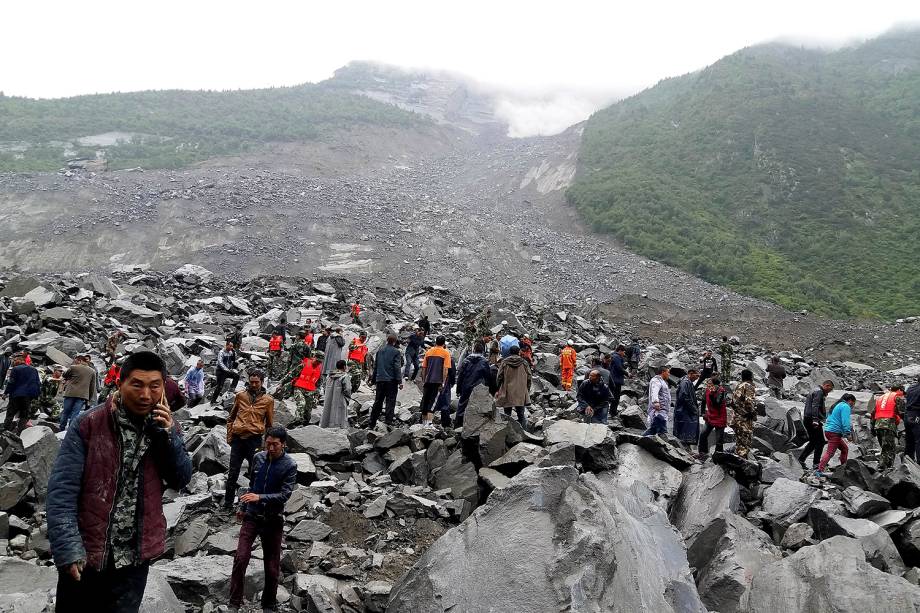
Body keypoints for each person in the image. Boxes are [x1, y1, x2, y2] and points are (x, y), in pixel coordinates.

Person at [47, 351, 191, 613]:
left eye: (154, 386)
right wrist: (68, 548)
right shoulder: (89, 424)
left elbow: (181, 478)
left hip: (134, 560)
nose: (145, 395)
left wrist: (168, 437)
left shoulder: (166, 426)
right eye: (137, 384)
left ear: (162, 388)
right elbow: (62, 490)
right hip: (87, 555)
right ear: (120, 383)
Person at [228, 426, 296, 613]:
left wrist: (261, 497)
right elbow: (252, 485)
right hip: (252, 516)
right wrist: (243, 507)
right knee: (241, 558)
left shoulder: (289, 465)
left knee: (272, 565)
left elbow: (285, 495)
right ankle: (234, 603)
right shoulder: (258, 458)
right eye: (268, 444)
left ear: (283, 444)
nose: (271, 448)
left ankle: (269, 605)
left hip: (273, 519)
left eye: (275, 445)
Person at [224, 371, 274, 510]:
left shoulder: (268, 400)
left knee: (255, 473)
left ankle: (251, 505)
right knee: (233, 472)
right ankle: (227, 504)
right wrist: (230, 437)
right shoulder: (240, 396)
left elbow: (269, 425)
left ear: (262, 382)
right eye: (251, 381)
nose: (253, 384)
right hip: (238, 439)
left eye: (256, 382)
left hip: (255, 440)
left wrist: (266, 446)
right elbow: (231, 418)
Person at [454, 341, 493, 428]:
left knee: (462, 405)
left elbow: (461, 376)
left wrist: (458, 389)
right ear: (482, 351)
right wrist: (488, 389)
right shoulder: (484, 362)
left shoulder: (466, 360)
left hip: (466, 386)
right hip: (479, 387)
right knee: (478, 407)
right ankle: (475, 427)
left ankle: (458, 426)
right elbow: (488, 376)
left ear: (473, 350)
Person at [817, 394, 857, 477]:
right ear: (850, 400)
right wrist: (847, 433)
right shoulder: (845, 406)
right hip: (834, 432)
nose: (853, 405)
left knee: (844, 449)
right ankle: (819, 470)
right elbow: (845, 421)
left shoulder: (837, 405)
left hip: (829, 430)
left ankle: (843, 469)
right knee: (830, 452)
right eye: (853, 403)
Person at [368, 335, 403, 429]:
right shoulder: (396, 352)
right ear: (395, 342)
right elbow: (397, 367)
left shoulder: (380, 351)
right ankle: (388, 422)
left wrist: (373, 380)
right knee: (390, 401)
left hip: (380, 380)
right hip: (391, 380)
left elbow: (376, 366)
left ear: (387, 341)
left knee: (378, 402)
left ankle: (372, 423)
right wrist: (400, 381)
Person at [798, 380, 834, 469]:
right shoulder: (819, 392)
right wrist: (815, 420)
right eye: (829, 389)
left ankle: (801, 460)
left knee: (813, 441)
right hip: (812, 420)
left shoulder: (815, 390)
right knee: (820, 442)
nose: (829, 392)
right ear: (827, 385)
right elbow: (815, 406)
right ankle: (816, 463)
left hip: (808, 418)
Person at [495, 345, 531, 429]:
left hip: (507, 391)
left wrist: (498, 389)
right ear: (519, 352)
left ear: (510, 352)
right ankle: (524, 434)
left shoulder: (504, 362)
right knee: (521, 415)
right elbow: (529, 377)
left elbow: (499, 377)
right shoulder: (524, 362)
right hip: (520, 391)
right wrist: (527, 389)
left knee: (507, 415)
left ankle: (506, 433)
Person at [3, 353, 40, 433]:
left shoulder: (15, 369)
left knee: (10, 413)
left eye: (15, 360)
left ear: (20, 360)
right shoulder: (34, 370)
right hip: (28, 396)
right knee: (24, 414)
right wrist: (35, 396)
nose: (13, 362)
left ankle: (5, 430)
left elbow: (11, 382)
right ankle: (20, 431)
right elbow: (37, 383)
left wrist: (5, 393)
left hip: (16, 395)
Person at [419, 336, 452, 425]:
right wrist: (443, 382)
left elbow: (424, 368)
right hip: (437, 381)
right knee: (432, 403)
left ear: (435, 342)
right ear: (444, 343)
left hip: (428, 380)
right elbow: (445, 370)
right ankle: (428, 425)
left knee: (425, 401)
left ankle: (424, 423)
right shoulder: (446, 353)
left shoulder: (429, 352)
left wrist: (424, 379)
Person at [872, 385, 906, 470]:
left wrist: (872, 427)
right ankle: (885, 468)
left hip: (878, 425)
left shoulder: (880, 398)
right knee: (890, 448)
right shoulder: (897, 397)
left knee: (884, 447)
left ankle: (884, 467)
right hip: (888, 425)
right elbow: (902, 412)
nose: (903, 394)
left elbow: (873, 413)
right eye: (902, 392)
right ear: (898, 390)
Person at [60, 355, 98, 430]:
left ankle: (61, 427)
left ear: (80, 360)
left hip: (70, 393)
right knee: (75, 413)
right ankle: (70, 429)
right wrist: (90, 399)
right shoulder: (92, 371)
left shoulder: (73, 367)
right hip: (82, 395)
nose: (75, 362)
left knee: (66, 411)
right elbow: (92, 386)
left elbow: (65, 375)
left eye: (76, 361)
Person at [731, 369, 757, 459]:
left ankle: (736, 461)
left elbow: (732, 402)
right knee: (745, 443)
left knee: (739, 442)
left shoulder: (738, 386)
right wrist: (752, 413)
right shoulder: (749, 386)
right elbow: (749, 402)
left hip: (736, 418)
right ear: (751, 377)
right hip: (744, 420)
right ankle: (742, 465)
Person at [699, 377, 728, 456]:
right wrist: (702, 413)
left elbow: (717, 404)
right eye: (708, 384)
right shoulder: (707, 390)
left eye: (710, 384)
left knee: (719, 440)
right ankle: (703, 453)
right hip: (710, 416)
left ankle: (718, 456)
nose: (708, 386)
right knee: (703, 435)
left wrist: (712, 394)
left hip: (720, 417)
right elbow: (703, 401)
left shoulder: (721, 391)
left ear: (716, 385)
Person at [291, 352, 323, 424]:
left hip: (310, 391)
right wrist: (281, 383)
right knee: (302, 404)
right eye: (317, 360)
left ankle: (305, 424)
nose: (318, 363)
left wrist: (316, 397)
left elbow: (318, 385)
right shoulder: (304, 364)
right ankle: (297, 421)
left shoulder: (320, 369)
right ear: (314, 357)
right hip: (299, 388)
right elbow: (291, 374)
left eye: (320, 362)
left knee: (308, 411)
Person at [674, 369, 700, 448]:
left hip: (684, 410)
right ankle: (684, 449)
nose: (697, 378)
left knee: (684, 430)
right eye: (696, 376)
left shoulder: (687, 382)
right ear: (691, 374)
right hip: (685, 411)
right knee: (685, 430)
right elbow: (684, 396)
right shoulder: (685, 383)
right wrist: (693, 408)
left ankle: (685, 448)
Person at [320, 360, 351, 429]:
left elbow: (324, 386)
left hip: (328, 397)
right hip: (340, 398)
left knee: (328, 410)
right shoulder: (344, 376)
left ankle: (325, 425)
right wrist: (348, 398)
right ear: (344, 366)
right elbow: (348, 389)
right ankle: (339, 428)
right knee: (339, 413)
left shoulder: (329, 376)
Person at [644, 367, 671, 436]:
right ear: (663, 372)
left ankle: (642, 439)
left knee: (654, 429)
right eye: (668, 372)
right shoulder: (656, 381)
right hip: (658, 410)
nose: (669, 374)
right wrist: (656, 402)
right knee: (661, 430)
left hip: (662, 409)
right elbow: (654, 391)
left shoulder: (661, 381)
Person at [905, 377, 920, 463]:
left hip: (907, 415)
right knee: (919, 440)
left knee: (909, 440)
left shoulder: (910, 388)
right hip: (917, 416)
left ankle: (908, 462)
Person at [609, 345, 627, 415]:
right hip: (616, 379)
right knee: (616, 397)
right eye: (623, 352)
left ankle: (612, 411)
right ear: (620, 351)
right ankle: (613, 412)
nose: (624, 354)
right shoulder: (616, 357)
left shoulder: (614, 356)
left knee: (614, 396)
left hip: (614, 378)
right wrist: (627, 373)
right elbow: (619, 368)